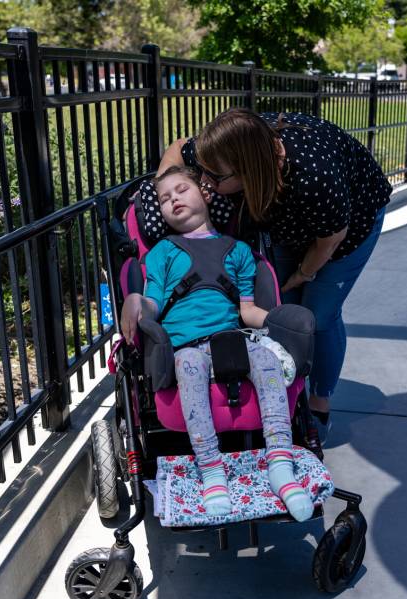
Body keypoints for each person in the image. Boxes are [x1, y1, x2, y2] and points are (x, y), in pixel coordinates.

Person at [156, 109, 391, 440]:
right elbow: (178, 149)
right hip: (286, 217)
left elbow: (331, 238)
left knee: (318, 315)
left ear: (247, 171)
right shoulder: (227, 150)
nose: (205, 182)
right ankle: (287, 398)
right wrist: (163, 198)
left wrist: (303, 273)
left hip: (346, 227)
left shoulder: (314, 177)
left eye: (215, 178)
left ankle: (319, 405)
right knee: (282, 310)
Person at [119, 166, 313, 521]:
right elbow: (154, 304)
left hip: (233, 340)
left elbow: (249, 310)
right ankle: (211, 471)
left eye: (181, 190)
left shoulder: (237, 251)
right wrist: (136, 301)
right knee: (190, 365)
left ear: (205, 195)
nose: (174, 199)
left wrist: (278, 323)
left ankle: (280, 464)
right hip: (185, 347)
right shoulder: (162, 253)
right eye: (164, 198)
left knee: (267, 362)